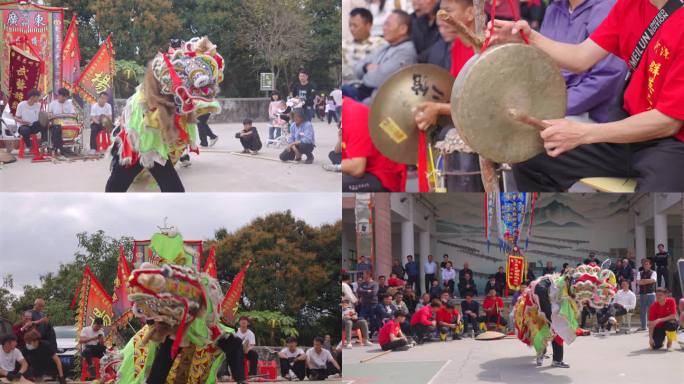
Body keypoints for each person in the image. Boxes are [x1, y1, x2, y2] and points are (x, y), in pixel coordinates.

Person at [488, 0, 684, 192]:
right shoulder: (629, 6)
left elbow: (668, 122)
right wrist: (529, 38)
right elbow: (581, 57)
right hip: (625, 132)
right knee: (532, 156)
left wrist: (582, 134)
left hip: (672, 143)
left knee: (655, 202)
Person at [344, 10, 418, 103]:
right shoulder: (386, 46)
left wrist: (368, 72)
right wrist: (366, 67)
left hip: (376, 101)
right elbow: (357, 67)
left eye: (388, 25)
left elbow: (377, 79)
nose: (384, 28)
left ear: (403, 29)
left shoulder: (406, 52)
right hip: (361, 91)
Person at [341, 97, 407, 191]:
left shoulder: (354, 116)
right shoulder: (345, 112)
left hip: (383, 176)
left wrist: (336, 166)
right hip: (366, 167)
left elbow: (357, 168)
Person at [343, 8, 386, 85]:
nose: (351, 29)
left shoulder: (381, 45)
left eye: (355, 26)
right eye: (350, 25)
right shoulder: (344, 46)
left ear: (368, 25)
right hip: (348, 89)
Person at [46, 87, 75, 154]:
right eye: (63, 97)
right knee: (57, 127)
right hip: (55, 124)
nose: (64, 99)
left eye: (66, 97)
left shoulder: (69, 104)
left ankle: (64, 147)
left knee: (75, 127)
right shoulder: (53, 104)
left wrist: (67, 116)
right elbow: (49, 115)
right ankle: (61, 148)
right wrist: (54, 116)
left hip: (67, 123)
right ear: (58, 95)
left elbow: (73, 115)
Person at [637, 259, 657, 330]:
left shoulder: (653, 272)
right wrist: (648, 281)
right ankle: (643, 326)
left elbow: (653, 280)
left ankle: (653, 326)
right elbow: (638, 282)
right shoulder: (639, 273)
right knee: (643, 311)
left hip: (651, 294)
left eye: (647, 264)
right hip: (642, 294)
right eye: (645, 264)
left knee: (652, 311)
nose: (646, 265)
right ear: (643, 265)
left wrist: (643, 281)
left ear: (650, 265)